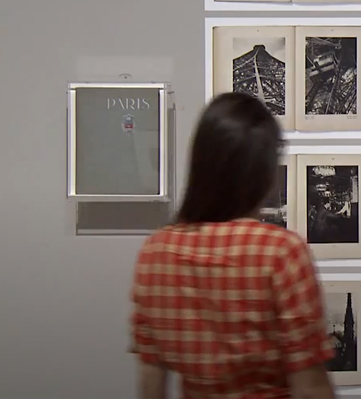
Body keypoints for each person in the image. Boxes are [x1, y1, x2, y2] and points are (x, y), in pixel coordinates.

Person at [129, 93, 337, 399]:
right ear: (263, 172)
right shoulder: (281, 252)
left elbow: (151, 385)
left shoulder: (156, 252)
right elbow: (311, 387)